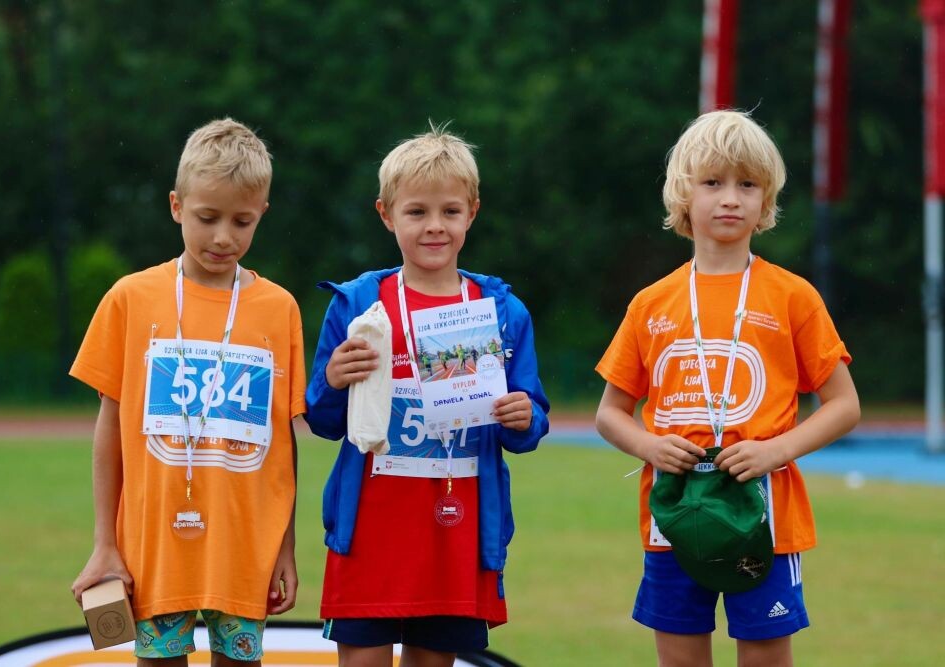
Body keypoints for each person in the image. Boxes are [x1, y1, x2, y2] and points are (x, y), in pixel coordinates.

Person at [594, 110, 860, 667]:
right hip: (674, 515)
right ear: (683, 195)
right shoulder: (651, 303)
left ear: (766, 200)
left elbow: (844, 405)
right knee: (680, 659)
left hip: (762, 514)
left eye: (748, 185)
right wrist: (649, 446)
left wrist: (775, 450)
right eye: (713, 183)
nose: (731, 199)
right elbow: (610, 414)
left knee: (765, 658)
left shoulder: (792, 296)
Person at [305, 125, 549, 667]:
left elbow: (530, 426)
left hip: (454, 530)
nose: (435, 226)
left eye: (450, 211)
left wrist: (523, 415)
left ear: (472, 213)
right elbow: (322, 418)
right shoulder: (359, 305)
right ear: (386, 214)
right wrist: (333, 380)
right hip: (372, 530)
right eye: (416, 212)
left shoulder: (501, 311)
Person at [69, 118, 305, 666]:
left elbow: (282, 442)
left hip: (244, 548)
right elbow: (110, 428)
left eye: (242, 221)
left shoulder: (279, 309)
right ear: (176, 206)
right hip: (153, 548)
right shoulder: (131, 298)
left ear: (262, 213)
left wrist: (285, 547)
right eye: (207, 217)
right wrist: (105, 543)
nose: (223, 237)